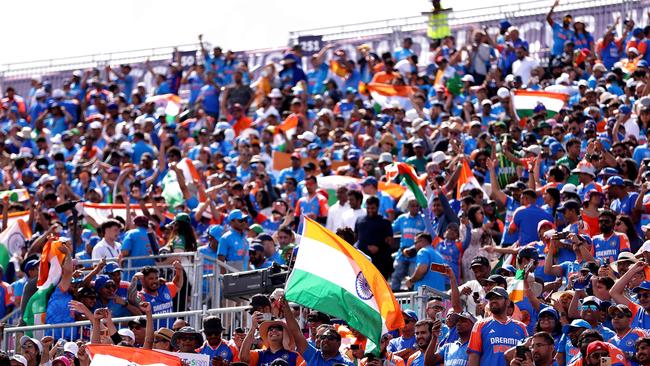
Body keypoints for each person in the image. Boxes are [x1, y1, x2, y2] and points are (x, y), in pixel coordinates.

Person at [282, 297, 354, 366]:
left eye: (330, 337)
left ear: (339, 343)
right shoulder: (313, 356)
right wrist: (285, 307)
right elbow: (296, 332)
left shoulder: (347, 364)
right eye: (322, 337)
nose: (325, 339)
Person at [468, 287, 528, 366]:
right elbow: (474, 356)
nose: (493, 301)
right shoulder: (480, 325)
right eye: (491, 299)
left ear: (507, 302)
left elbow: (527, 356)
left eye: (497, 298)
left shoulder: (521, 327)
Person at [135, 262, 184, 328]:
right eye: (151, 279)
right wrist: (134, 280)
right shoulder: (141, 296)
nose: (154, 281)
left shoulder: (164, 287)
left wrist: (179, 270)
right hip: (154, 336)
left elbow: (177, 285)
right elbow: (133, 299)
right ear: (142, 281)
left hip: (170, 334)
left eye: (156, 278)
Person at [355, 196, 394, 278]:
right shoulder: (359, 220)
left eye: (372, 208)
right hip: (363, 259)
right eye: (368, 208)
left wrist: (378, 248)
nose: (370, 210)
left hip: (381, 261)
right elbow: (356, 237)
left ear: (378, 207)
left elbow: (390, 242)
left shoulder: (385, 222)